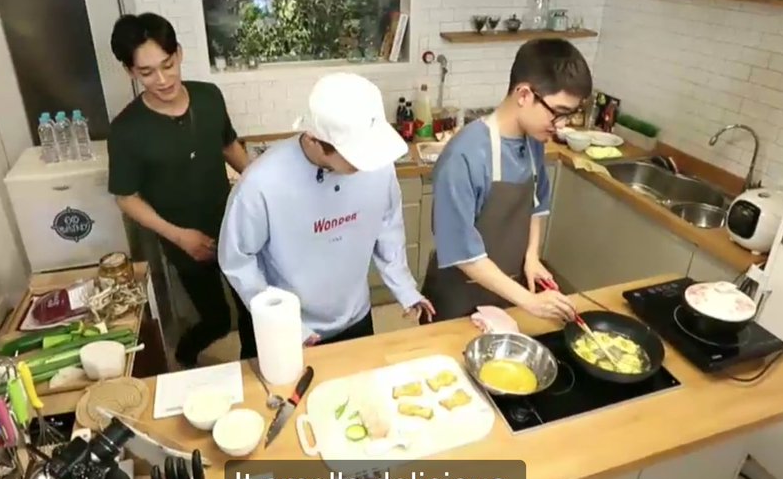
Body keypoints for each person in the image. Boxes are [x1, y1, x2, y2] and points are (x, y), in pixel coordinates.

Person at [218, 73, 434, 353]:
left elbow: (387, 225)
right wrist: (283, 323)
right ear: (314, 140)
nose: (364, 164)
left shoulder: (377, 165)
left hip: (355, 316)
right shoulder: (262, 183)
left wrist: (405, 288)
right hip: (289, 327)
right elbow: (238, 260)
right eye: (354, 156)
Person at [106, 12, 252, 367]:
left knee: (252, 310)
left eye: (168, 65)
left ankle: (252, 377)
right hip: (183, 242)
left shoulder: (209, 96)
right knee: (217, 319)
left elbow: (228, 146)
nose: (162, 79)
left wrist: (261, 183)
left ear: (179, 54)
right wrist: (180, 237)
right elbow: (126, 197)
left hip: (233, 227)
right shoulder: (126, 130)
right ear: (130, 71)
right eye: (147, 72)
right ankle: (185, 354)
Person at [423, 38, 592, 322]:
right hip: (457, 298)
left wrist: (531, 257)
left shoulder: (534, 141)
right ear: (524, 94)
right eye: (558, 113)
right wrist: (531, 302)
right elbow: (462, 251)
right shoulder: (463, 157)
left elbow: (537, 205)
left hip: (508, 293)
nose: (562, 125)